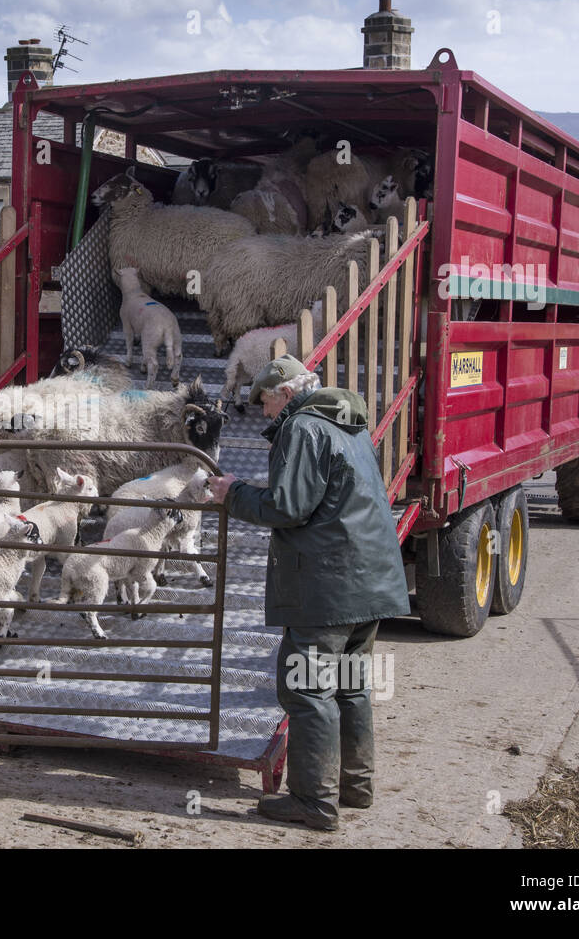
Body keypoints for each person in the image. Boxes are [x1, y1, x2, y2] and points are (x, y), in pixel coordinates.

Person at [207, 355, 409, 831]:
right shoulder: (349, 426)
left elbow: (289, 506)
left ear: (286, 392)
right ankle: (355, 786)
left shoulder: (301, 429)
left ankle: (312, 802)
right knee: (350, 684)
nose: (262, 411)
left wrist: (232, 492)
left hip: (329, 586)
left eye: (265, 400)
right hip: (371, 581)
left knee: (305, 687)